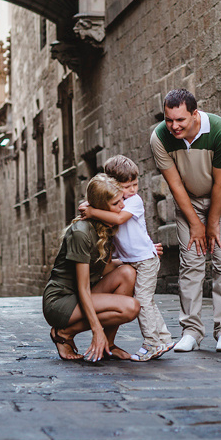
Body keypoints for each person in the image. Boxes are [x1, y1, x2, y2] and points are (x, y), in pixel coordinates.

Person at [150, 89, 221, 352]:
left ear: (194, 113)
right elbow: (175, 185)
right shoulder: (160, 138)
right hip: (188, 200)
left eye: (180, 120)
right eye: (169, 120)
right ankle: (191, 331)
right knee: (190, 262)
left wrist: (211, 224)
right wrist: (195, 223)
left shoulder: (220, 131)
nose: (174, 126)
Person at [81, 155, 175, 362]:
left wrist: (92, 211)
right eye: (127, 186)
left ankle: (152, 343)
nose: (132, 189)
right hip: (135, 260)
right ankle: (164, 338)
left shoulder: (134, 201)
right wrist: (92, 206)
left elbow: (118, 218)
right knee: (147, 300)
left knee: (142, 301)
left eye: (135, 184)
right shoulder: (114, 201)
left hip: (145, 261)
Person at [44, 174, 141, 362]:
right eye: (115, 203)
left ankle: (109, 346)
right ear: (100, 207)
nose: (122, 206)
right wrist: (97, 330)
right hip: (61, 300)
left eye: (121, 199)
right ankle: (63, 333)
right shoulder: (81, 232)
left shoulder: (105, 227)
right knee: (131, 308)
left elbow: (104, 270)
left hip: (83, 295)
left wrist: (141, 256)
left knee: (128, 273)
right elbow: (83, 287)